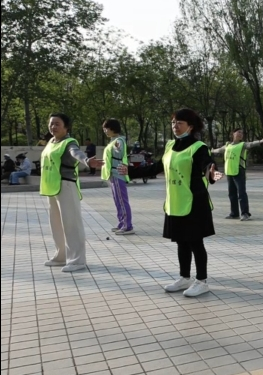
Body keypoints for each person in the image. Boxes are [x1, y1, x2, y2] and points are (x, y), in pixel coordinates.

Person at [118, 108, 223, 297]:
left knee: (195, 243)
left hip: (194, 202)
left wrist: (212, 172)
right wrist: (131, 171)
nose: (175, 126)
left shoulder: (198, 147)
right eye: (173, 122)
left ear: (190, 126)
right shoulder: (170, 146)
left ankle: (202, 281)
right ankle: (185, 277)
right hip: (175, 202)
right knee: (181, 241)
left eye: (180, 123)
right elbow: (157, 167)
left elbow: (207, 165)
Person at [40, 113, 104, 273]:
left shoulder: (69, 142)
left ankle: (77, 260)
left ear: (66, 127)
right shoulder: (51, 142)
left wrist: (87, 161)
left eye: (57, 124)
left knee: (71, 224)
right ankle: (61, 256)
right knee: (56, 224)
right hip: (52, 188)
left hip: (66, 186)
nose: (53, 127)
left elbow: (76, 153)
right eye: (51, 123)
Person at [211, 129, 263, 221]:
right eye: (238, 132)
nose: (240, 134)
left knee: (241, 193)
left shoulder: (242, 145)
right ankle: (234, 213)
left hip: (239, 171)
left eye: (242, 133)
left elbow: (251, 144)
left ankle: (245, 213)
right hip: (229, 172)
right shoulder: (228, 145)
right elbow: (219, 150)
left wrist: (260, 142)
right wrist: (212, 151)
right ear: (233, 134)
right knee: (232, 194)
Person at [100, 119, 134, 235]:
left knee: (122, 201)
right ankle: (121, 223)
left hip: (117, 174)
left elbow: (118, 154)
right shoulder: (113, 141)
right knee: (118, 201)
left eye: (106, 128)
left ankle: (127, 226)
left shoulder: (118, 141)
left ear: (113, 128)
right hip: (113, 175)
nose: (105, 131)